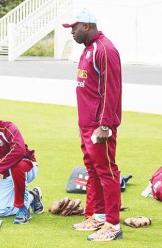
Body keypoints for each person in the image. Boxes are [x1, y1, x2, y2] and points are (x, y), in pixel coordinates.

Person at [62, 8, 122, 241]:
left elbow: (111, 89)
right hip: (87, 124)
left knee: (107, 171)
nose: (72, 33)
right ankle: (98, 215)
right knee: (93, 171)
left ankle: (113, 225)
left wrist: (105, 124)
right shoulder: (88, 49)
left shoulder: (104, 49)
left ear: (86, 26)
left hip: (100, 126)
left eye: (74, 28)